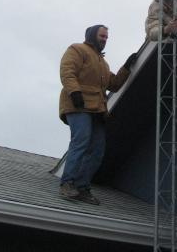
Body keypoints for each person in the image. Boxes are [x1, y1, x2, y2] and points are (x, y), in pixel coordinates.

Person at [58, 24, 138, 204]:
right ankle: (67, 183)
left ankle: (82, 187)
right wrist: (75, 92)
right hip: (77, 105)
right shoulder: (77, 49)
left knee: (97, 150)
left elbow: (114, 84)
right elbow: (67, 71)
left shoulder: (102, 63)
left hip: (97, 109)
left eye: (106, 37)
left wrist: (126, 66)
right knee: (81, 142)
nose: (104, 39)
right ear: (92, 35)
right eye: (102, 36)